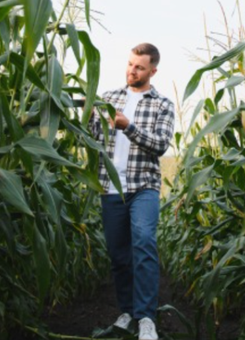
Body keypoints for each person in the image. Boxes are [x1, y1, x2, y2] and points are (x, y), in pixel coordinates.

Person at [88, 43, 175, 340]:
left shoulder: (162, 104)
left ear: (153, 71)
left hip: (144, 187)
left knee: (144, 244)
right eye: (129, 64)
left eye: (139, 67)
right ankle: (127, 311)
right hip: (110, 186)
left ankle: (146, 317)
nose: (131, 70)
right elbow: (91, 133)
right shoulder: (109, 98)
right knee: (119, 254)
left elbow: (160, 144)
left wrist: (128, 126)